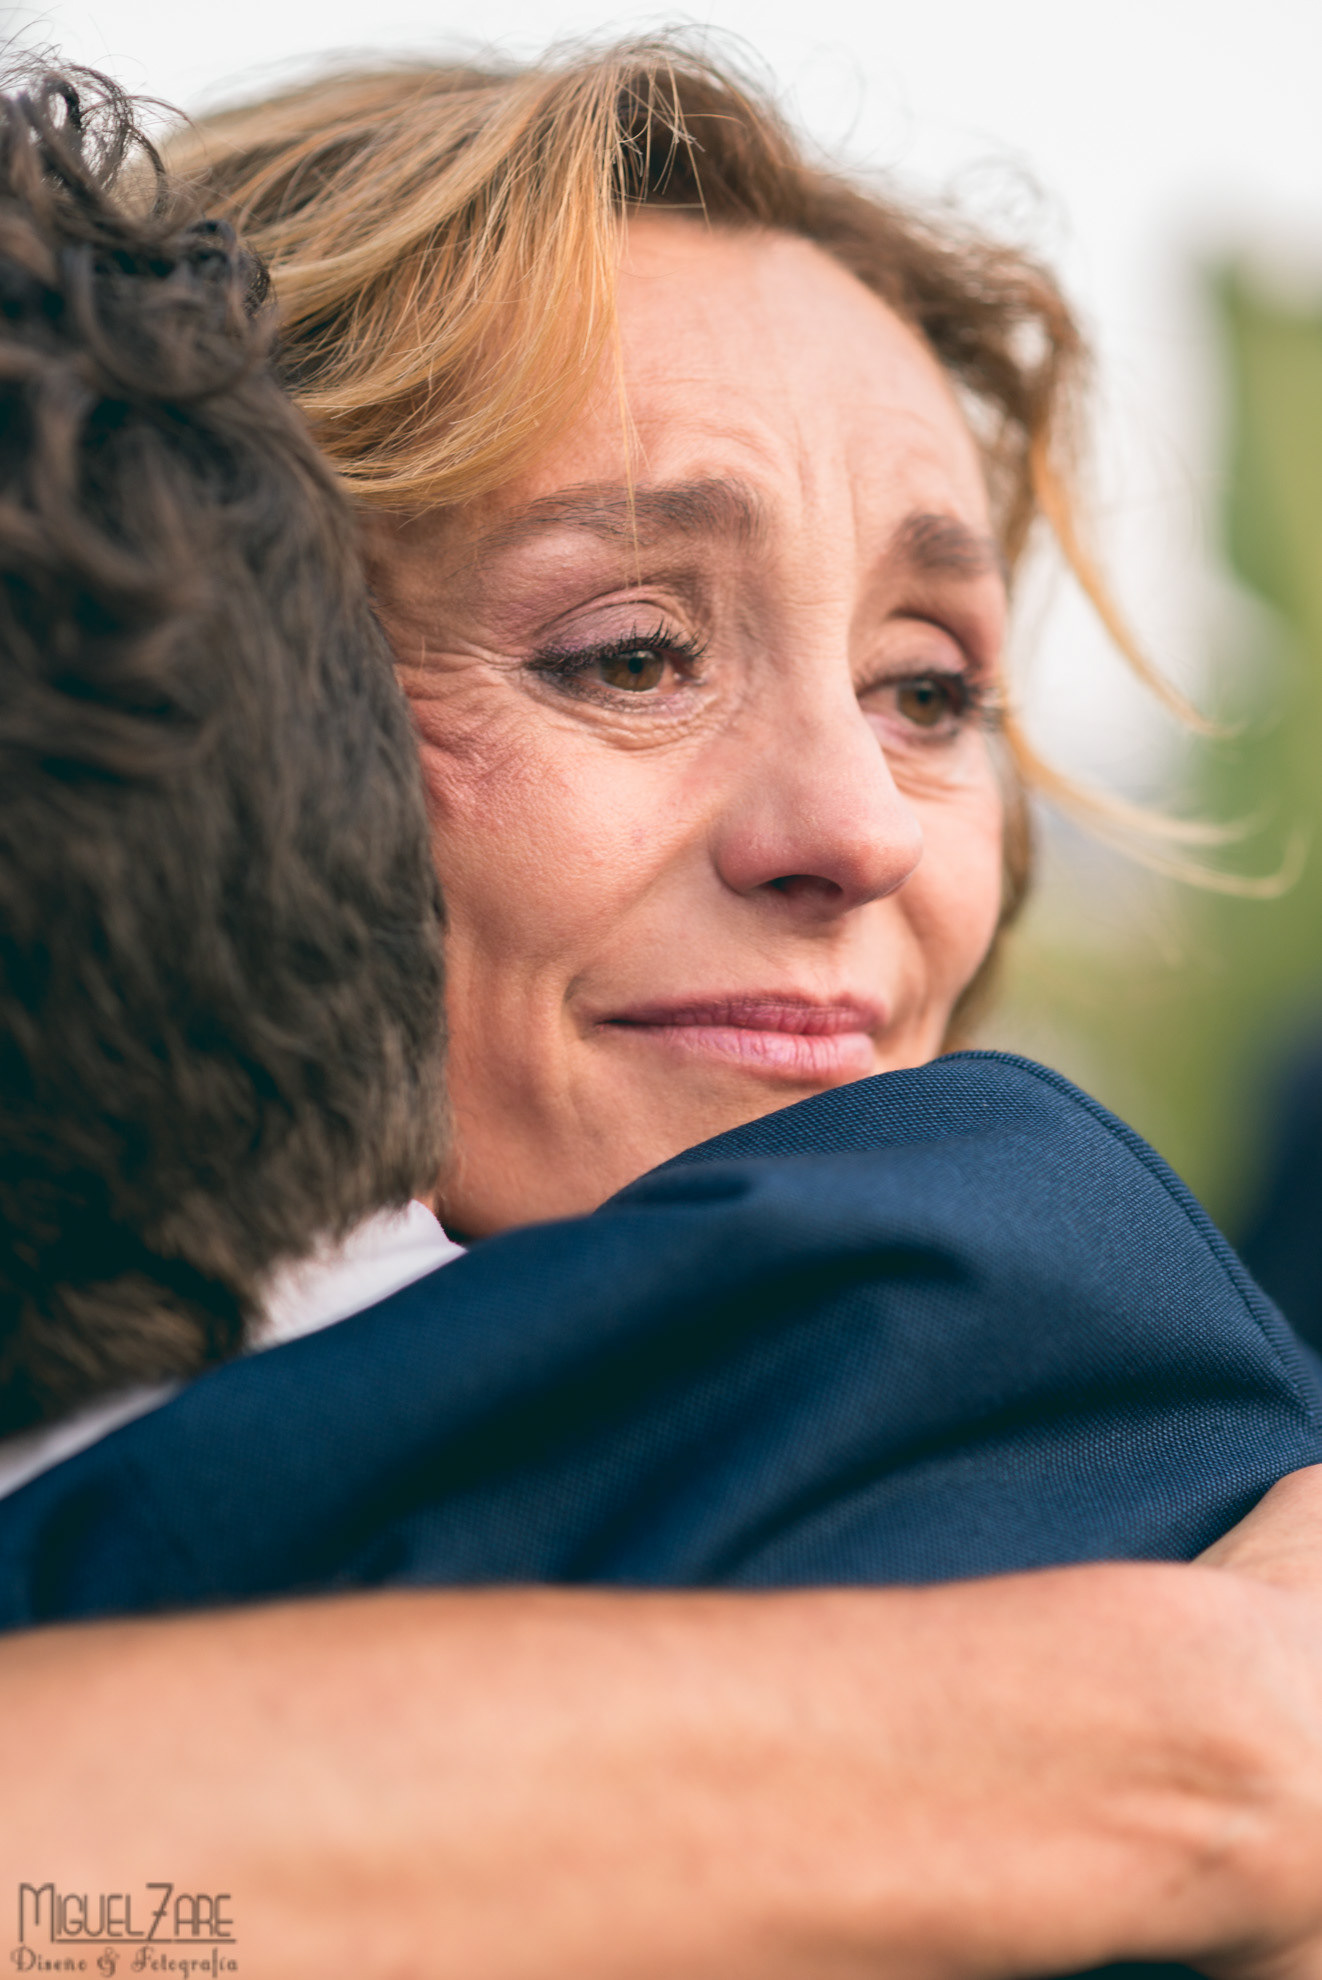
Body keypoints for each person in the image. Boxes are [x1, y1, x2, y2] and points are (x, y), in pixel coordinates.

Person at [4, 51, 1322, 1980]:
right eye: (628, 655)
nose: (860, 832)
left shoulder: (1110, 1426)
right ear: (222, 705)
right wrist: (1202, 1738)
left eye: (927, 690)